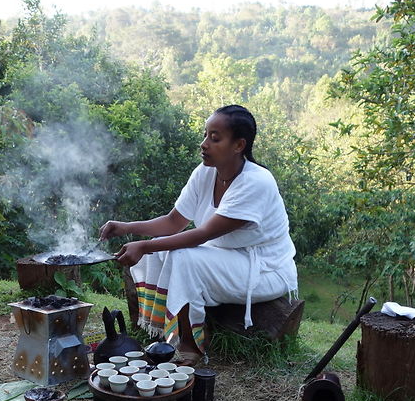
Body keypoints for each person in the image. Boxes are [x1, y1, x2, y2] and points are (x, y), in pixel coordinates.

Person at [99, 104, 298, 365]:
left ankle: (191, 346)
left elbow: (202, 234)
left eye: (215, 138)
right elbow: (174, 222)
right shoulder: (205, 172)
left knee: (181, 257)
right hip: (224, 259)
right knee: (160, 250)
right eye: (205, 135)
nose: (204, 144)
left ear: (239, 145)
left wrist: (144, 246)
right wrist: (126, 227)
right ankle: (163, 332)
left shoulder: (256, 182)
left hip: (264, 270)